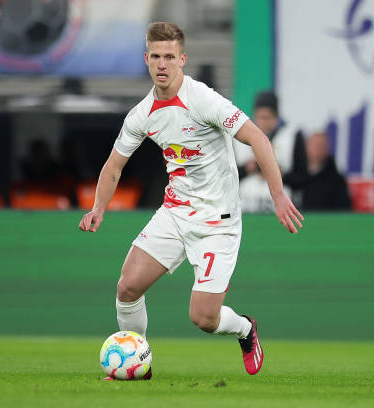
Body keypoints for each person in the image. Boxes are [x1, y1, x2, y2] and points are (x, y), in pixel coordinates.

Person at [78, 22, 303, 378]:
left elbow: (258, 138)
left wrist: (278, 195)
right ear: (146, 59)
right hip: (176, 212)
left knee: (203, 318)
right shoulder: (142, 114)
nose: (162, 64)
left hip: (218, 222)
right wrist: (98, 208)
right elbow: (114, 165)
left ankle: (245, 328)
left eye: (169, 57)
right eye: (156, 56)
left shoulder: (203, 100)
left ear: (182, 59)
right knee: (128, 286)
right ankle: (139, 365)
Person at [234, 91, 307, 212]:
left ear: (276, 118)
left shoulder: (292, 136)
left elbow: (303, 178)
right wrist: (247, 168)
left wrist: (277, 173)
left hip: (282, 209)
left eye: (267, 118)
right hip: (244, 208)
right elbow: (226, 176)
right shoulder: (237, 137)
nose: (263, 122)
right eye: (260, 117)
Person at [301, 131, 351, 210]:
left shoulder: (337, 181)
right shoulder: (296, 176)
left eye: (321, 145)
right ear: (307, 147)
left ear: (327, 149)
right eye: (314, 145)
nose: (317, 149)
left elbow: (344, 210)